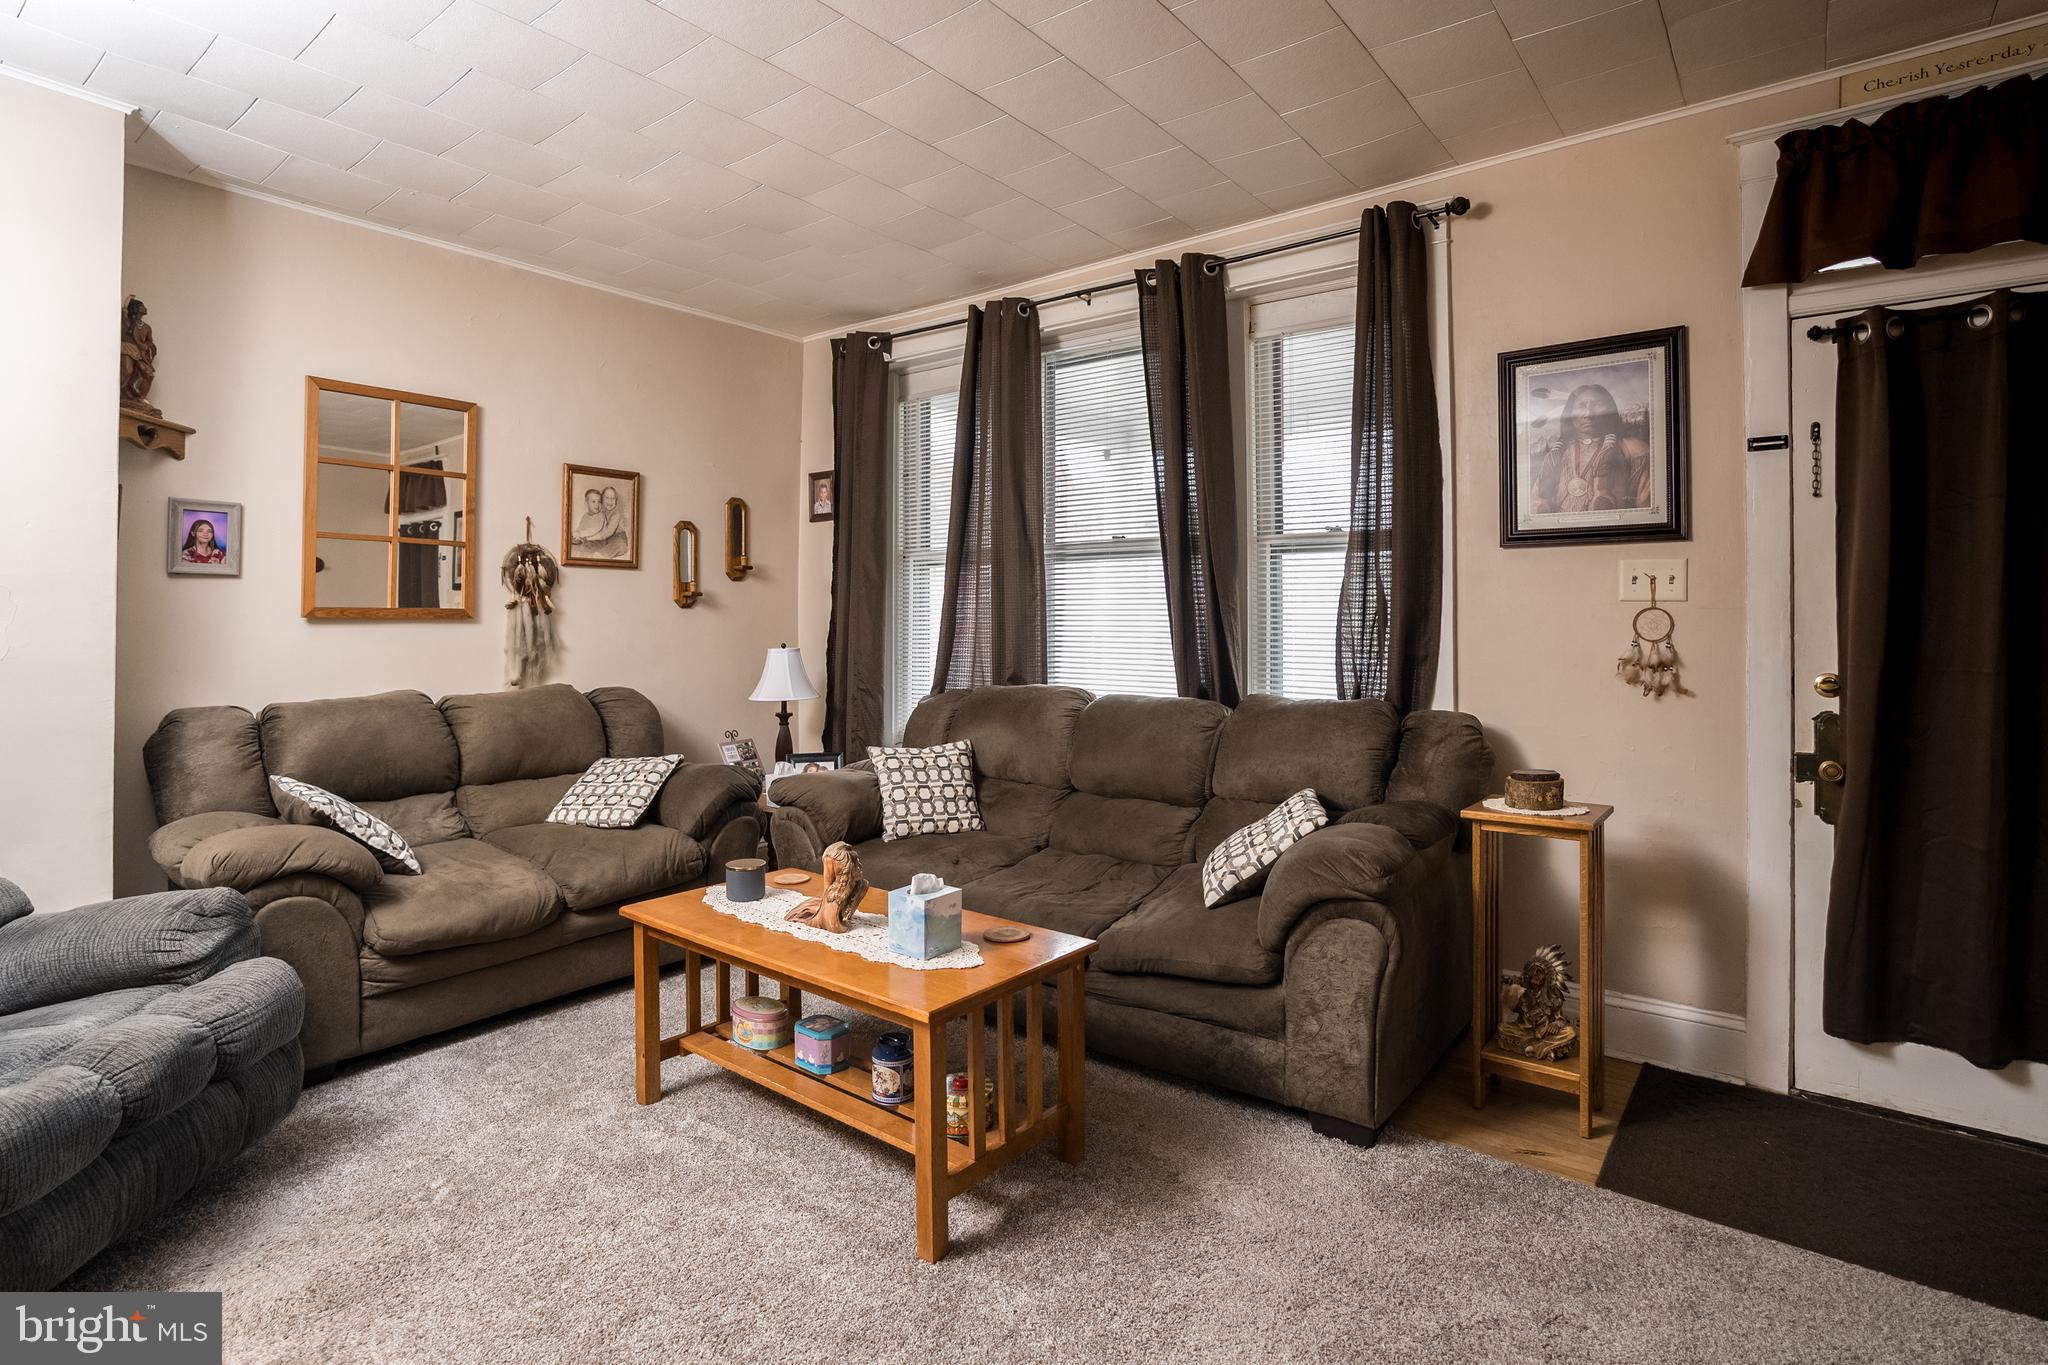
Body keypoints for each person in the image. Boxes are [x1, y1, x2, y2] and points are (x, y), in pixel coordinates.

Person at [1527, 383, 1651, 515]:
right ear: (1569, 414)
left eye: (1598, 405)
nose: (1588, 414)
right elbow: (1536, 506)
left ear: (1610, 411)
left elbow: (1647, 511)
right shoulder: (1556, 455)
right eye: (1581, 406)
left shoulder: (1634, 450)